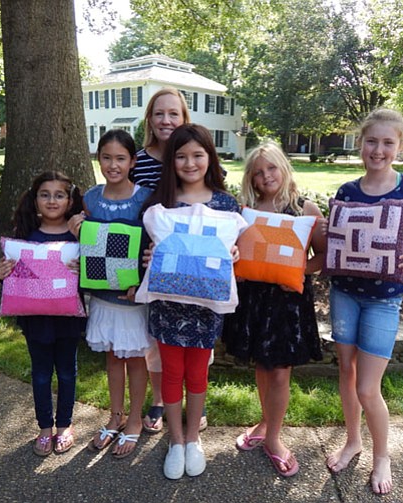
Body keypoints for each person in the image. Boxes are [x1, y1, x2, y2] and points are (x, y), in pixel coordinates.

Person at [325, 109, 403, 495]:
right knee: (345, 373)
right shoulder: (348, 191)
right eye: (371, 141)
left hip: (384, 301)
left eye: (387, 142)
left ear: (400, 146)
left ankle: (382, 455)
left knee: (368, 388)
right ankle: (353, 441)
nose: (377, 150)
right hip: (344, 294)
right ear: (361, 143)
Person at [141, 123, 241, 479]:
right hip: (167, 303)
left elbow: (235, 253)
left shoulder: (226, 204)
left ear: (209, 157)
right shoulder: (160, 202)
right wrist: (148, 258)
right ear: (171, 161)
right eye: (181, 156)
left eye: (197, 155)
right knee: (171, 372)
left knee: (197, 372)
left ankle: (194, 438)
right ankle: (176, 439)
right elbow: (145, 251)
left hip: (205, 306)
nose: (189, 163)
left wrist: (235, 251)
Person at [222, 141, 325, 477]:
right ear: (250, 178)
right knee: (262, 366)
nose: (266, 176)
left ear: (284, 168)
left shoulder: (306, 210)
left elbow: (323, 259)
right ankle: (266, 422)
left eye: (271, 168)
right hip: (253, 300)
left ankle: (275, 439)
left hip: (287, 302)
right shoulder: (244, 211)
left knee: (280, 371)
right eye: (258, 172)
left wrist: (300, 271)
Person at [68, 130, 154, 458]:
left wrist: (142, 282)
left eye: (121, 158)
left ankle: (134, 419)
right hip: (103, 297)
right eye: (107, 157)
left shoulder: (146, 198)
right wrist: (76, 228)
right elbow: (84, 244)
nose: (113, 165)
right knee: (113, 358)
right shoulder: (89, 198)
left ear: (133, 161)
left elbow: (151, 245)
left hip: (131, 298)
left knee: (134, 358)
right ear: (98, 158)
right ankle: (115, 415)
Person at [129, 88, 208, 435]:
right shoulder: (136, 160)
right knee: (156, 339)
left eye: (173, 114)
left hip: (190, 263)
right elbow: (122, 203)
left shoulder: (191, 157)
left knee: (195, 338)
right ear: (149, 119)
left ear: (184, 118)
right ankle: (161, 399)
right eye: (159, 114)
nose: (166, 121)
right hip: (146, 258)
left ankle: (194, 404)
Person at [0, 171, 84, 457]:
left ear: (70, 201)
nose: (52, 200)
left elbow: (92, 275)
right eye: (45, 194)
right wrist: (1, 274)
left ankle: (65, 426)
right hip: (35, 320)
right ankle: (45, 427)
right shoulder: (25, 236)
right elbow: (12, 273)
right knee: (42, 375)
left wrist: (83, 273)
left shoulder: (79, 236)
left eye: (59, 195)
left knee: (67, 373)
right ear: (35, 200)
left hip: (68, 318)